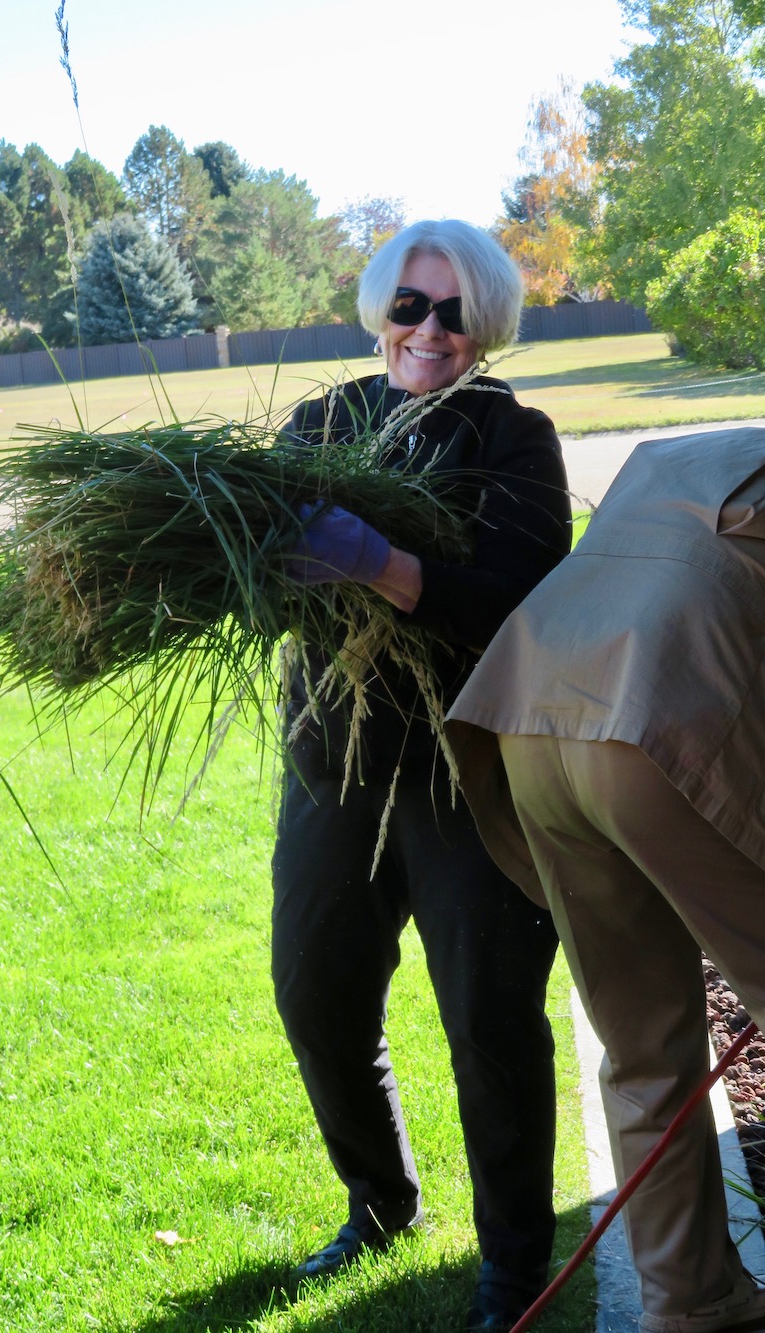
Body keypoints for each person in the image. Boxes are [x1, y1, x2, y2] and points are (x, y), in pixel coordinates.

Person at [272, 219, 571, 1331]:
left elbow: (518, 591)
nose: (429, 330)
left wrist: (386, 567)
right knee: (316, 995)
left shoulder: (513, 438)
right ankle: (380, 1203)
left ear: (484, 325)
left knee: (490, 1018)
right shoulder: (322, 425)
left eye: (454, 311)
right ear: (380, 311)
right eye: (410, 305)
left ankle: (513, 1266)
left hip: (467, 770)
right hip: (334, 760)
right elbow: (256, 571)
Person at [445, 426, 765, 1333]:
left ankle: (692, 1301)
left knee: (642, 1044)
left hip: (533, 716)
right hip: (655, 718)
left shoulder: (696, 453)